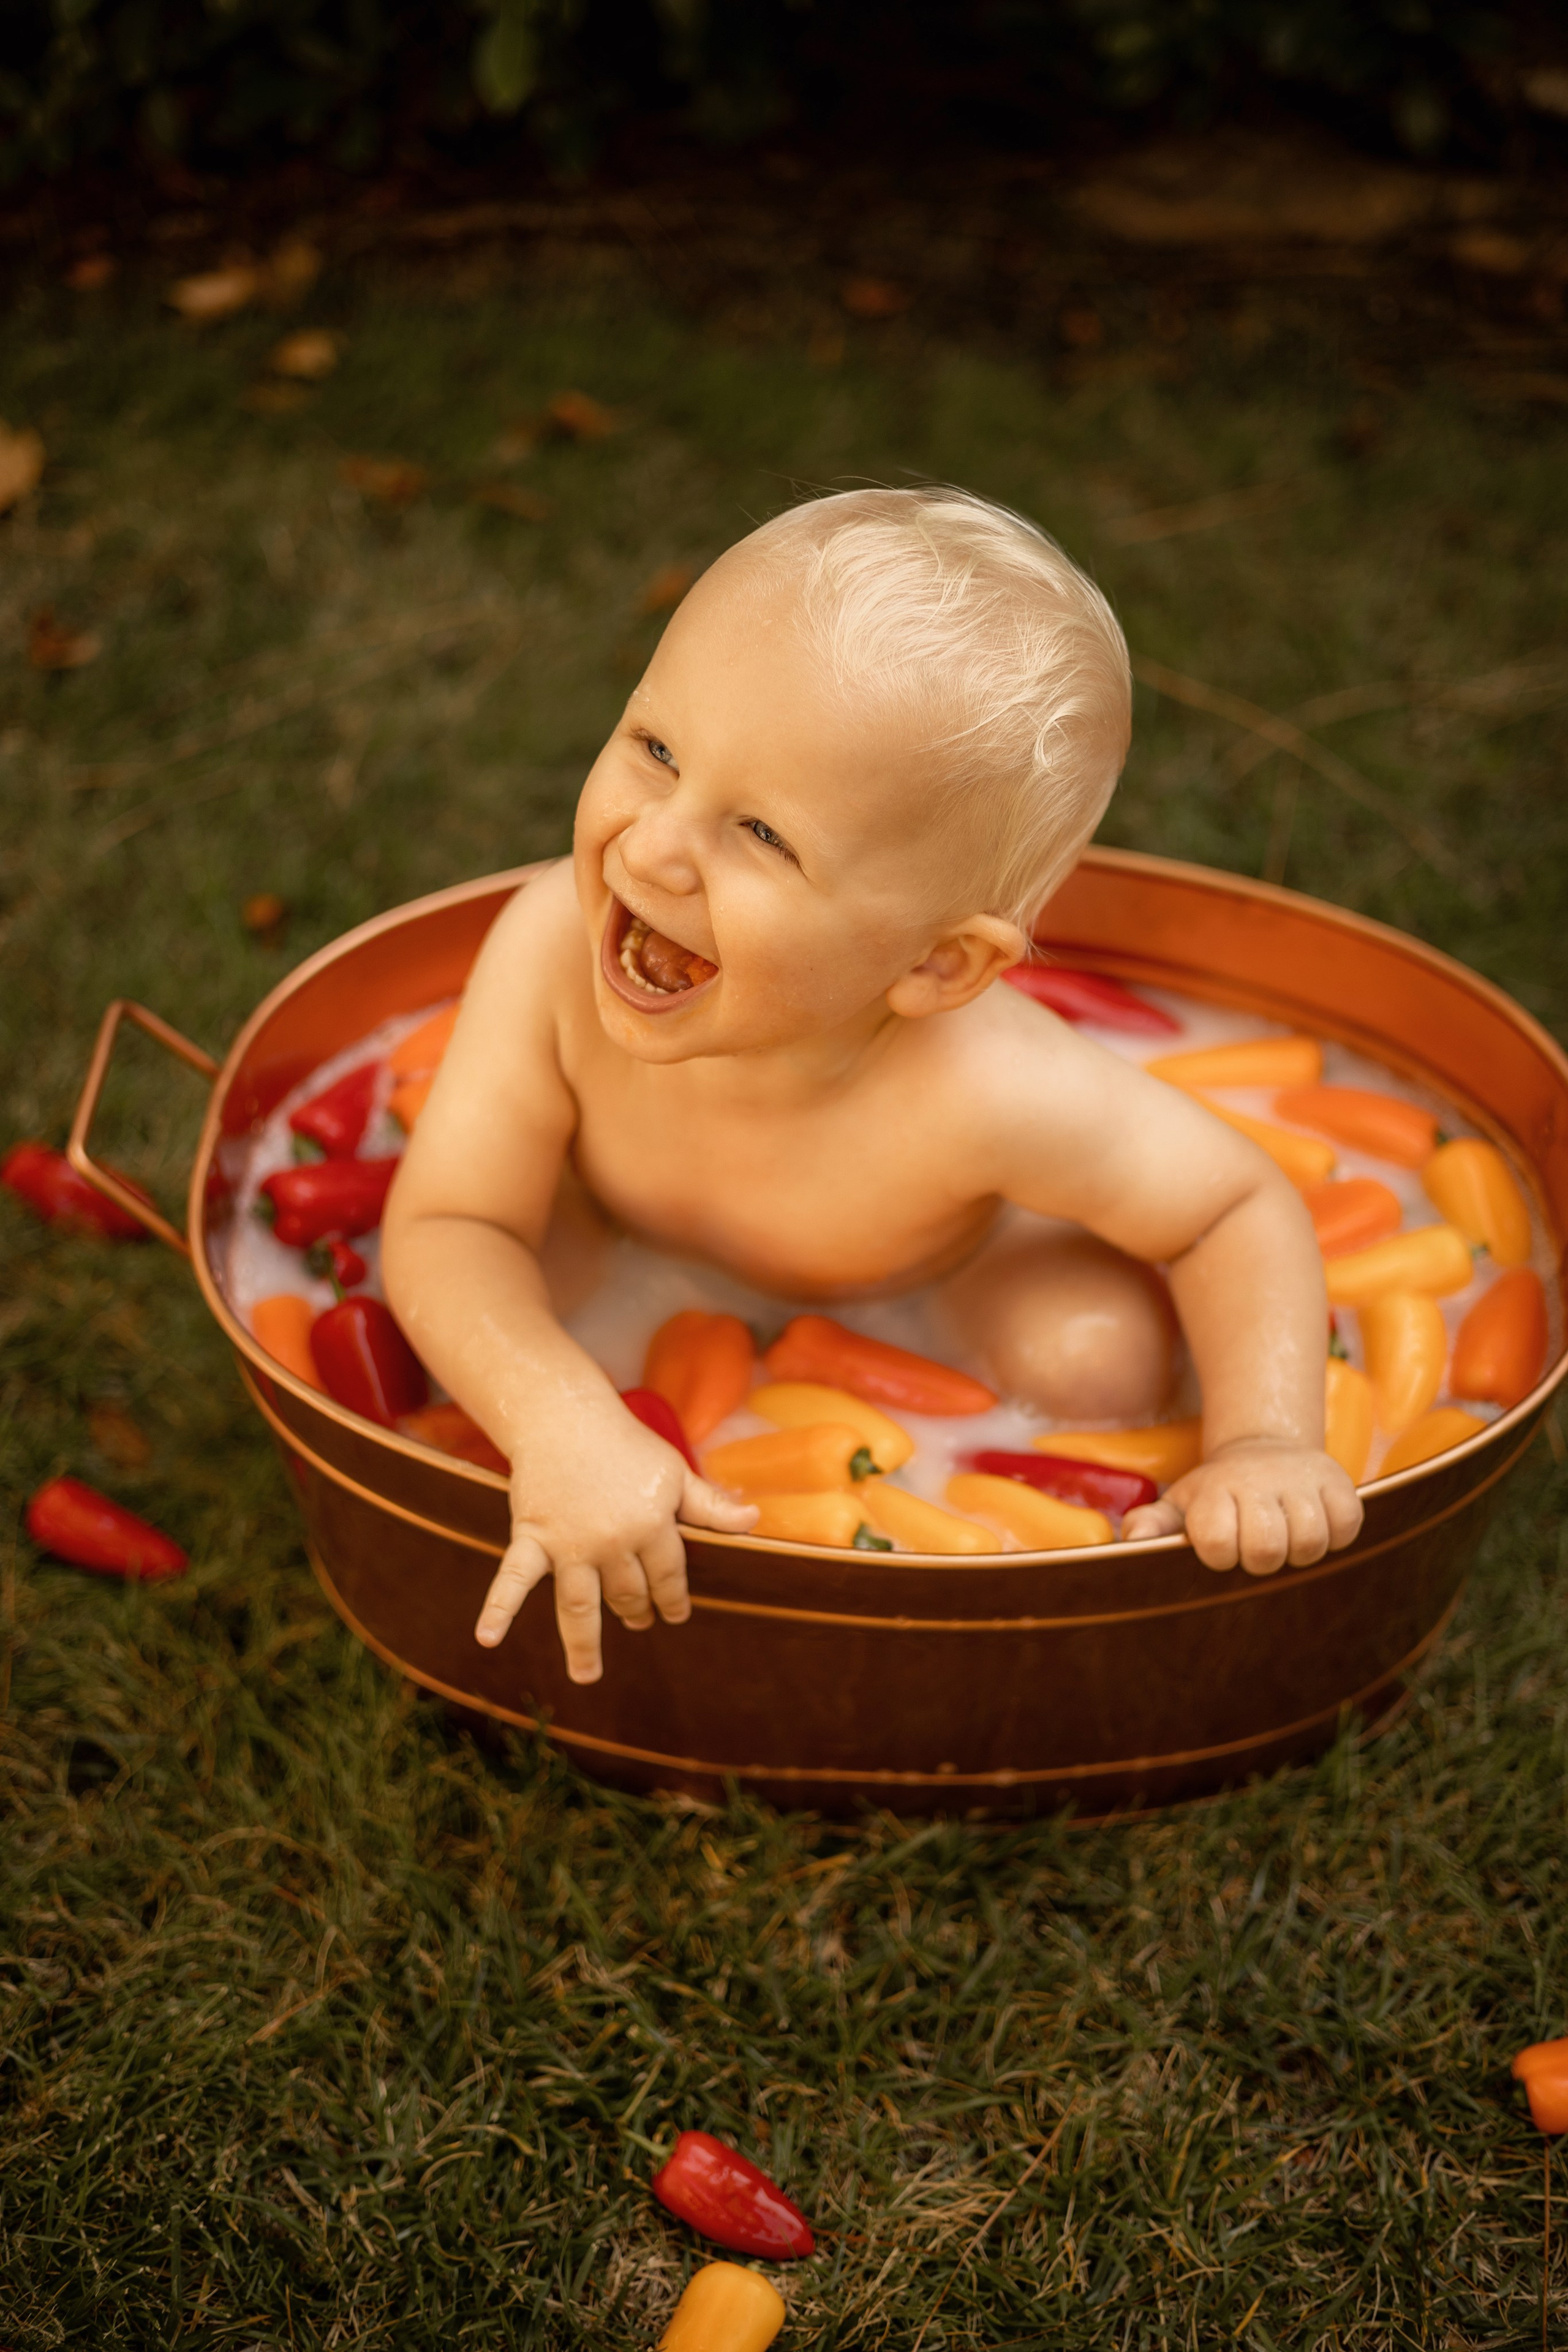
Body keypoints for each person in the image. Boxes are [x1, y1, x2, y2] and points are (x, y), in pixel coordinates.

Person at [382, 487, 1362, 1685]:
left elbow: (1231, 1205)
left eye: (763, 836)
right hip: (618, 1233)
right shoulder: (546, 950)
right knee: (492, 1323)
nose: (649, 847)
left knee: (1096, 1360)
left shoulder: (991, 1088)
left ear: (935, 963)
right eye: (655, 749)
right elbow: (450, 1221)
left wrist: (1266, 1438)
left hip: (934, 1276)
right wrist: (555, 1417)